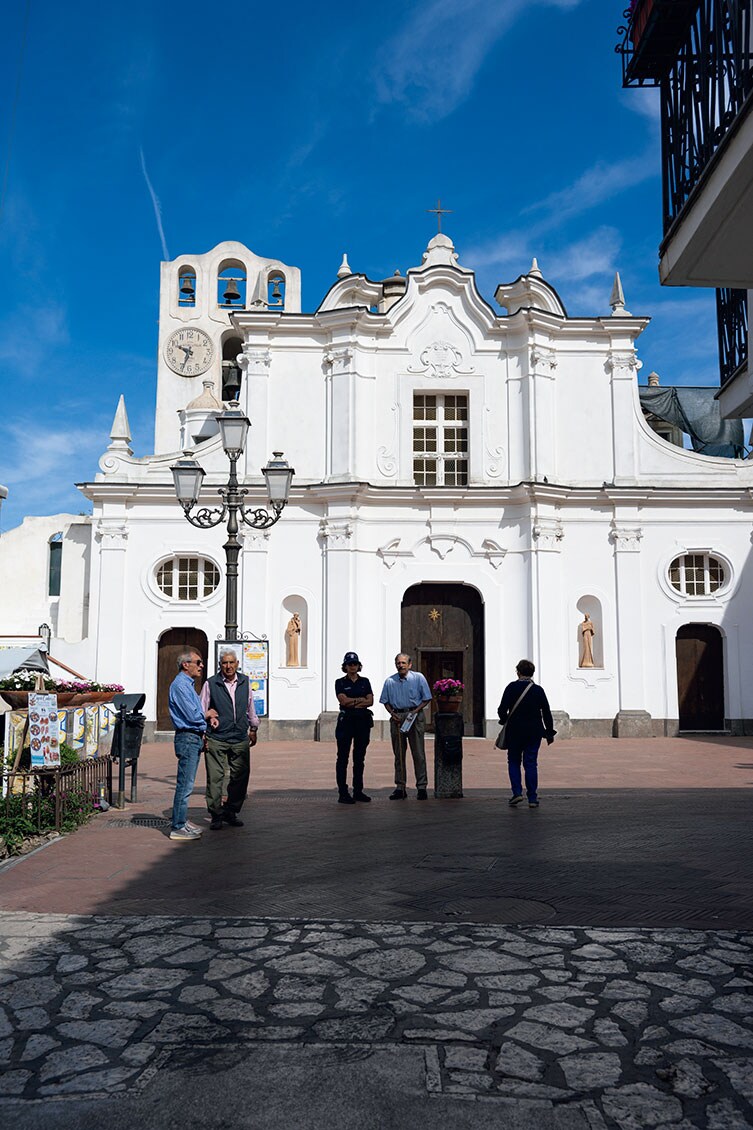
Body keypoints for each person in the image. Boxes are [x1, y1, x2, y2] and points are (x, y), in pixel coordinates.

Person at [200, 648, 259, 830]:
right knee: (215, 778)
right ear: (220, 665)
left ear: (237, 664)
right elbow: (201, 709)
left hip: (240, 736)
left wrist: (253, 727)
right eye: (225, 663)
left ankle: (231, 811)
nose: (228, 666)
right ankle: (216, 814)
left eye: (231, 662)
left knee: (240, 777)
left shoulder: (245, 681)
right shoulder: (211, 684)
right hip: (217, 737)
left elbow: (250, 706)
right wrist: (206, 726)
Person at [497, 659, 555, 810]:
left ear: (518, 672)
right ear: (532, 673)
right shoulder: (538, 690)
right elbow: (546, 712)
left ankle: (517, 792)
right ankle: (532, 798)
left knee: (514, 761)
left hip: (515, 731)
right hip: (534, 731)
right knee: (530, 763)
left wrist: (504, 720)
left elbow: (502, 710)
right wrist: (549, 732)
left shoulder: (511, 688)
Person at [379, 653, 432, 800]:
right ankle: (400, 787)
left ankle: (421, 787)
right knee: (399, 754)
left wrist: (415, 711)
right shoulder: (390, 681)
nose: (400, 665)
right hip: (397, 718)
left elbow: (426, 698)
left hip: (414, 716)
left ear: (410, 664)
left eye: (403, 663)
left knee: (418, 753)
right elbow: (385, 701)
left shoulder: (418, 678)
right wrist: (391, 713)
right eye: (398, 663)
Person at [168, 650, 207, 841]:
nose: (201, 666)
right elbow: (192, 714)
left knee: (188, 784)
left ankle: (182, 820)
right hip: (187, 737)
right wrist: (207, 717)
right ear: (186, 664)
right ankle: (177, 826)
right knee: (185, 785)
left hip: (194, 736)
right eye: (197, 662)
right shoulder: (181, 685)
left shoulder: (188, 685)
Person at [334, 651, 374, 804]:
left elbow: (370, 701)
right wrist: (360, 700)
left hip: (362, 722)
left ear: (359, 666)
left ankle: (358, 790)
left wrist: (353, 701)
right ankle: (343, 792)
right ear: (345, 666)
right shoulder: (340, 682)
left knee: (359, 757)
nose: (352, 666)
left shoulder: (365, 681)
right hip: (346, 722)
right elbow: (343, 701)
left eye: (355, 664)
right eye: (349, 664)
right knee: (343, 757)